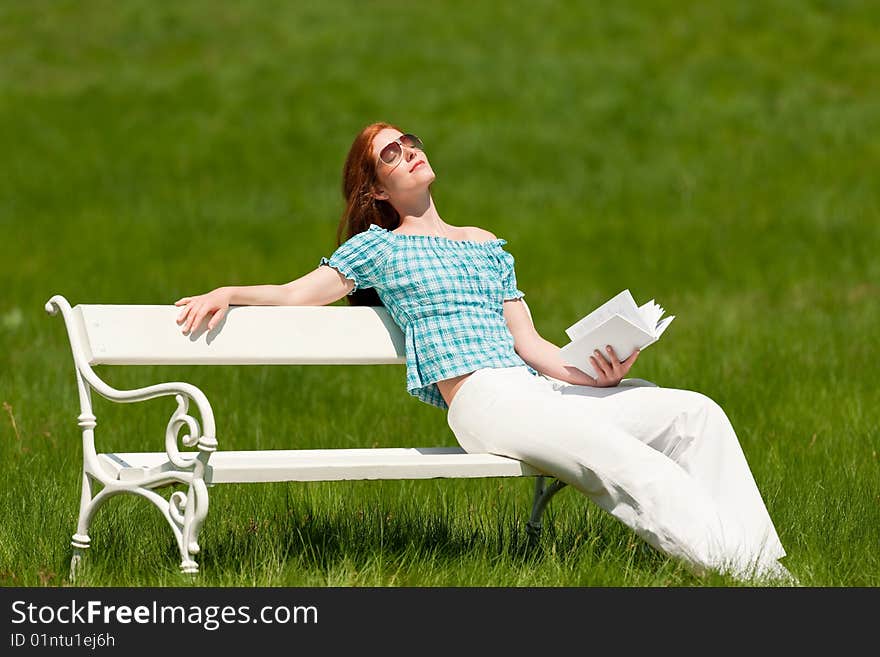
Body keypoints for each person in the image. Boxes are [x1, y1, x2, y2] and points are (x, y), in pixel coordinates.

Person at [174, 121, 792, 583]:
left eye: (408, 141)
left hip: (540, 391)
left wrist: (599, 374)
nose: (409, 151)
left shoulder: (485, 244)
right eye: (390, 153)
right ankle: (747, 580)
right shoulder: (378, 248)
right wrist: (229, 291)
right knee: (624, 460)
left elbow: (532, 344)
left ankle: (770, 571)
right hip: (483, 399)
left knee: (694, 413)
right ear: (377, 191)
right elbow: (295, 294)